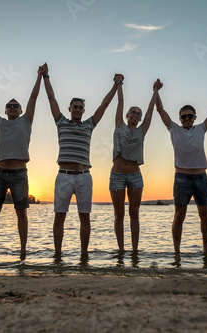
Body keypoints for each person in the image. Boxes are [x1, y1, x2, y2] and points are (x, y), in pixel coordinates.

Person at [42, 63, 123, 254]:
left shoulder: (89, 125)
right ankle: (58, 254)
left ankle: (84, 254)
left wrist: (116, 84)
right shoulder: (61, 122)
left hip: (84, 176)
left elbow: (104, 105)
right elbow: (51, 98)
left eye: (80, 108)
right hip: (63, 175)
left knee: (84, 217)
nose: (77, 110)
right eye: (75, 107)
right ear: (69, 108)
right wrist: (46, 77)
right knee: (59, 217)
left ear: (84, 111)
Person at [0, 64, 45, 258]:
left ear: (21, 110)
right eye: (9, 106)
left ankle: (23, 250)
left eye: (16, 106)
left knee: (21, 213)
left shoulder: (26, 121)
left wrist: (39, 76)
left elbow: (33, 97)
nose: (13, 108)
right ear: (5, 110)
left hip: (19, 174)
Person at [156, 85, 207, 255]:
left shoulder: (201, 128)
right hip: (182, 178)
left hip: (201, 178)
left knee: (206, 215)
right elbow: (160, 110)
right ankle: (176, 253)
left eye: (190, 116)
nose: (187, 118)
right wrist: (156, 91)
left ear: (195, 117)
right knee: (179, 215)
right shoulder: (174, 129)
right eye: (184, 116)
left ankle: (206, 253)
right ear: (180, 118)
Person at [110, 78, 162, 253]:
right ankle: (121, 250)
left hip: (135, 176)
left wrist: (155, 90)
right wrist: (119, 84)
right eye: (132, 112)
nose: (135, 115)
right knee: (119, 215)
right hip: (117, 175)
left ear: (140, 119)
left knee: (134, 214)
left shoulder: (142, 130)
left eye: (138, 114)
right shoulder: (119, 125)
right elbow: (120, 101)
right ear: (127, 115)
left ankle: (134, 251)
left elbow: (150, 110)